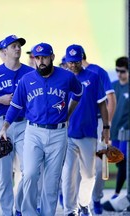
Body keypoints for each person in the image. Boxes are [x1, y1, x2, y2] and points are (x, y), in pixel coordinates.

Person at [0, 42, 82, 216]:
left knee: (51, 182)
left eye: (44, 57)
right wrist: (4, 127)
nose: (41, 61)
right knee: (28, 174)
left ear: (52, 57)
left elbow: (79, 93)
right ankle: (28, 212)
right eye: (37, 58)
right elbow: (15, 106)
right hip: (34, 131)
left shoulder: (66, 77)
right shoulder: (27, 80)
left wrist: (68, 113)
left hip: (58, 133)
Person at [0, 35, 33, 216]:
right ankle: (7, 212)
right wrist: (0, 100)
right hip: (0, 124)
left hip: (23, 125)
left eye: (19, 45)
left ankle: (19, 207)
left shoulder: (29, 73)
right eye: (13, 46)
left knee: (28, 171)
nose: (18, 48)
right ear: (4, 51)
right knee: (4, 175)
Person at [62, 44, 110, 216]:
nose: (73, 65)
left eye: (76, 61)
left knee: (89, 175)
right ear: (66, 61)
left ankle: (83, 204)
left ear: (81, 58)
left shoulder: (93, 77)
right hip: (66, 133)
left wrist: (106, 127)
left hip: (88, 133)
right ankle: (70, 210)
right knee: (68, 174)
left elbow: (102, 105)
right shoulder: (63, 78)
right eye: (70, 62)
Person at [81, 48, 116, 214]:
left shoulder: (98, 72)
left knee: (101, 164)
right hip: (80, 123)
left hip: (99, 121)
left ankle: (96, 198)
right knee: (78, 165)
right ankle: (82, 202)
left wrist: (107, 124)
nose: (68, 65)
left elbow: (110, 98)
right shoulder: (70, 74)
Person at [110, 56, 129, 200]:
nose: (119, 74)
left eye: (122, 71)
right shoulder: (113, 86)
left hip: (126, 133)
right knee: (117, 163)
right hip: (114, 132)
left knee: (123, 162)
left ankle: (117, 193)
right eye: (117, 71)